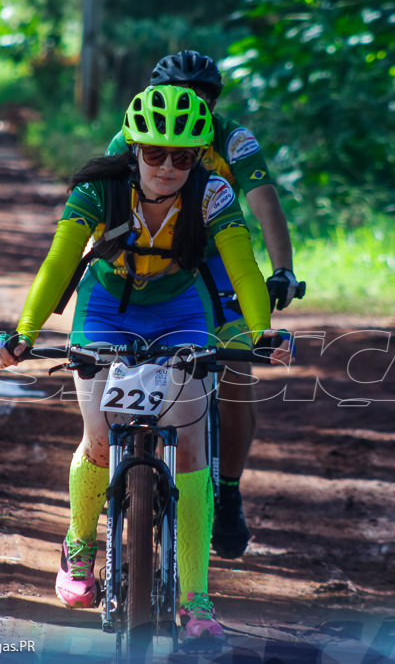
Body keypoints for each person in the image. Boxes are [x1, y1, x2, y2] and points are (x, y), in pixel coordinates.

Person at [0, 85, 291, 640]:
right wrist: (25, 332)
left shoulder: (213, 192)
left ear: (200, 156)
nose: (168, 168)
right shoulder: (99, 187)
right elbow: (60, 259)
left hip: (181, 308)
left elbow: (244, 269)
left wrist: (259, 332)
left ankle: (196, 600)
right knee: (99, 439)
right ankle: (79, 547)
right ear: (133, 148)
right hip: (107, 308)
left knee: (197, 446)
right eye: (155, 153)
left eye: (182, 157)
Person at [108, 50, 300, 558]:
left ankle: (229, 491)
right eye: (183, 92)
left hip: (216, 258)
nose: (192, 103)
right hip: (150, 257)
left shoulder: (232, 139)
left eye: (204, 96)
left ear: (214, 102)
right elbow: (103, 201)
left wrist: (281, 268)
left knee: (235, 369)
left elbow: (265, 205)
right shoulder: (138, 130)